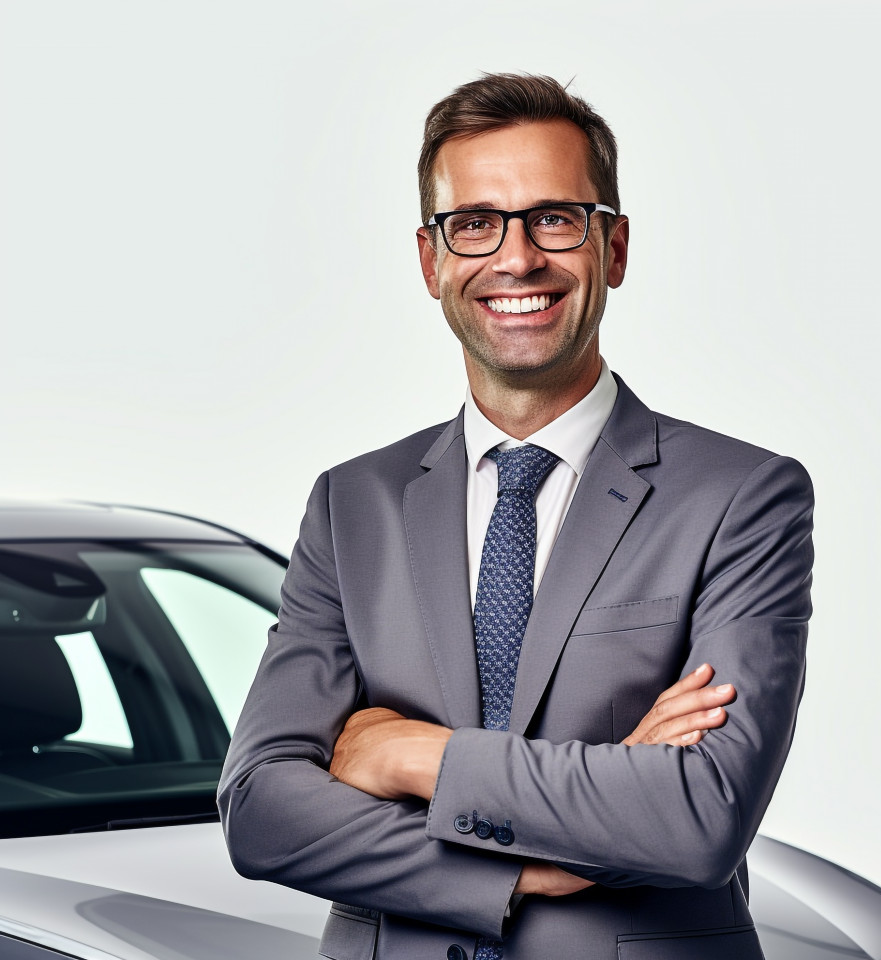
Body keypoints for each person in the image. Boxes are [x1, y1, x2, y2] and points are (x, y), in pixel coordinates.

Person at [218, 73, 814, 960]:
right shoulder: (354, 505)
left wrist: (408, 757)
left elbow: (698, 816)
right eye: (475, 224)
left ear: (612, 248)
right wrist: (533, 863)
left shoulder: (743, 497)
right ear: (432, 262)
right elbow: (263, 811)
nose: (517, 257)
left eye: (555, 218)